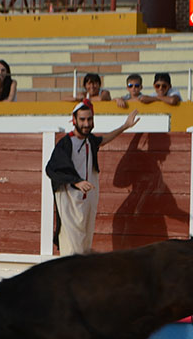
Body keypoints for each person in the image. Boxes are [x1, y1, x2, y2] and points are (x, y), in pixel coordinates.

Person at [45, 100, 140, 256]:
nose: (86, 123)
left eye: (89, 119)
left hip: (87, 200)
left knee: (84, 247)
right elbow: (51, 169)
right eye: (82, 120)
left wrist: (125, 126)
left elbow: (104, 139)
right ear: (74, 120)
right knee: (72, 249)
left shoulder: (90, 141)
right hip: (70, 201)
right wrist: (76, 181)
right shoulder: (66, 143)